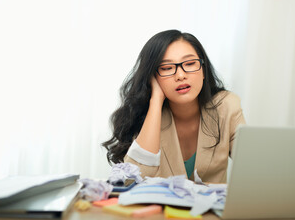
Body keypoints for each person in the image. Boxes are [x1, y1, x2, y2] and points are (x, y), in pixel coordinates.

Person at [102, 30, 245, 183]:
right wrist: (156, 100)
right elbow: (134, 179)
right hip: (158, 207)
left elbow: (255, 169)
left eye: (190, 64)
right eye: (167, 68)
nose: (181, 75)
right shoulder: (144, 115)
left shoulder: (227, 106)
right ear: (152, 77)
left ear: (203, 70)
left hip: (212, 207)